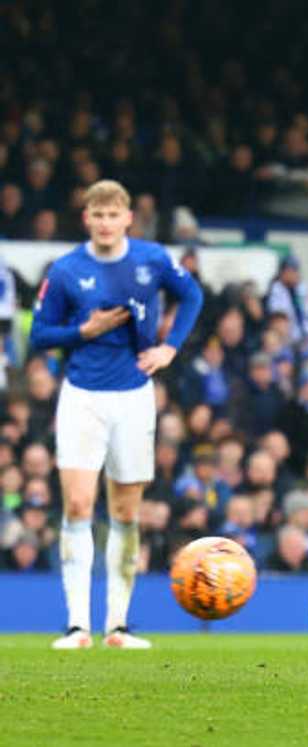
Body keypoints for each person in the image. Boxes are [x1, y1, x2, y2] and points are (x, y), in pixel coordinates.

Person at [30, 179, 202, 650]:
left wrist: (170, 347)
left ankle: (118, 627)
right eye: (97, 214)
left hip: (133, 396)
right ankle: (76, 626)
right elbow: (40, 335)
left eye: (113, 215)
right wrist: (82, 330)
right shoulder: (66, 270)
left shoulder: (152, 259)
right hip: (82, 396)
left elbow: (193, 297)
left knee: (126, 511)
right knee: (79, 506)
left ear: (128, 218)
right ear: (86, 218)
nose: (105, 223)